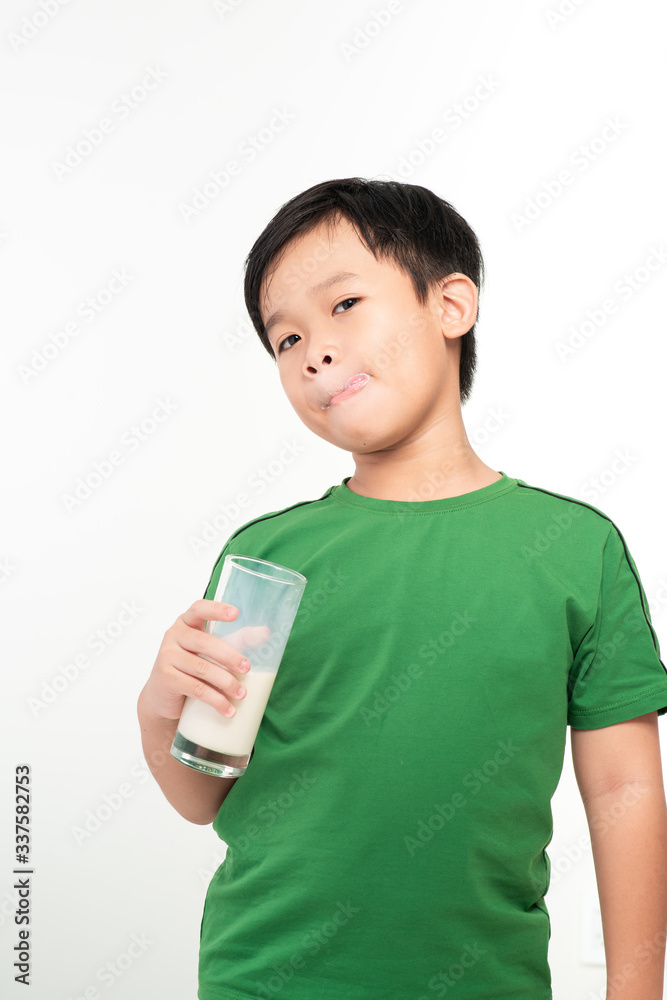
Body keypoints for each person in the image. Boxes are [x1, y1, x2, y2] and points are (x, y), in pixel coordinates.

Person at [137, 177, 667, 1000]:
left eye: (344, 303)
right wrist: (157, 704)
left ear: (451, 304)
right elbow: (201, 792)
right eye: (285, 340)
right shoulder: (266, 558)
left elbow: (625, 789)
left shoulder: (575, 550)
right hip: (264, 980)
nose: (312, 350)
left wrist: (634, 992)